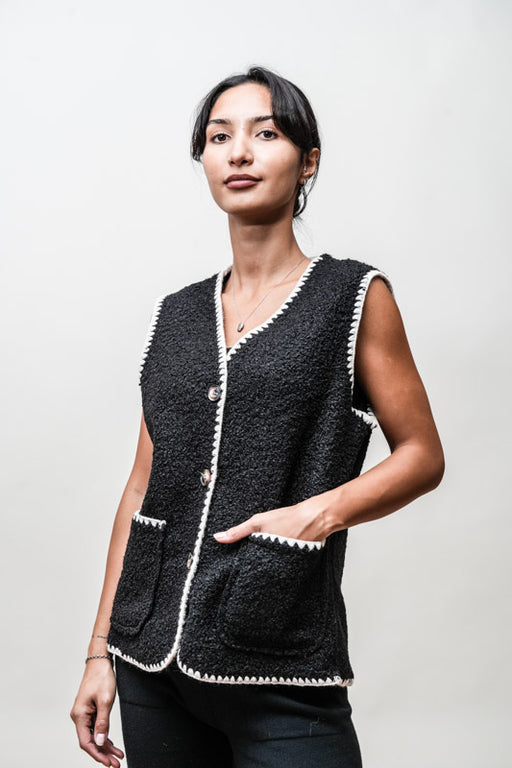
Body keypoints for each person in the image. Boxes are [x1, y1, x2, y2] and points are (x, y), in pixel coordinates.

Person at [70, 65, 445, 768]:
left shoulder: (352, 297)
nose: (238, 152)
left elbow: (423, 455)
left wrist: (316, 515)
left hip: (279, 656)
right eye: (219, 137)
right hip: (150, 665)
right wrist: (99, 652)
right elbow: (141, 490)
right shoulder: (176, 315)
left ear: (308, 161)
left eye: (265, 134)